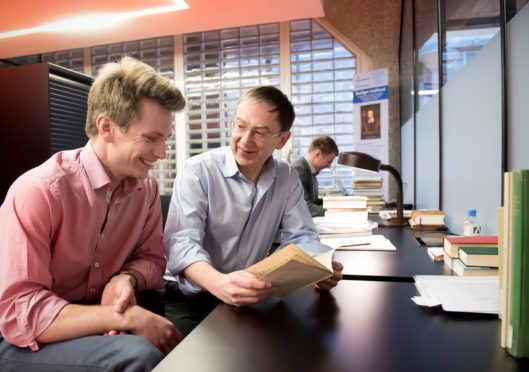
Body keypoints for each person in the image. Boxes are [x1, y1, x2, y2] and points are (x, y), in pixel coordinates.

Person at [0, 56, 186, 371]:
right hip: (24, 337)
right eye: (151, 138)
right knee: (139, 355)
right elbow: (22, 313)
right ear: (107, 127)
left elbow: (154, 260)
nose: (162, 153)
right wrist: (121, 316)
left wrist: (127, 278)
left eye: (164, 139)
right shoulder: (39, 191)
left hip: (91, 324)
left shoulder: (146, 189)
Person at [163, 86, 343, 336]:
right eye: (239, 126)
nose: (245, 140)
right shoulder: (198, 170)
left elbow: (302, 236)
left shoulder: (286, 177)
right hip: (193, 296)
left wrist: (318, 265)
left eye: (259, 132)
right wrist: (220, 284)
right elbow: (181, 244)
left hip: (248, 295)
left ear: (282, 139)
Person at [292, 135, 339, 217]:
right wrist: (337, 212)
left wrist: (333, 203)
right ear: (317, 154)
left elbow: (313, 201)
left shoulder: (310, 170)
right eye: (329, 161)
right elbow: (307, 209)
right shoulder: (299, 171)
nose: (328, 166)